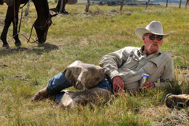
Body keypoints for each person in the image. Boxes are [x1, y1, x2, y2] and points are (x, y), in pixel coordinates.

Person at [31, 20, 174, 106]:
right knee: (76, 68)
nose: (156, 40)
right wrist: (115, 75)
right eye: (152, 36)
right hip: (103, 76)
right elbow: (107, 58)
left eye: (159, 37)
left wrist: (155, 85)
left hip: (111, 92)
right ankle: (45, 92)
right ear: (144, 38)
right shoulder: (130, 51)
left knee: (79, 103)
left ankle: (57, 96)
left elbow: (171, 83)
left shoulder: (165, 59)